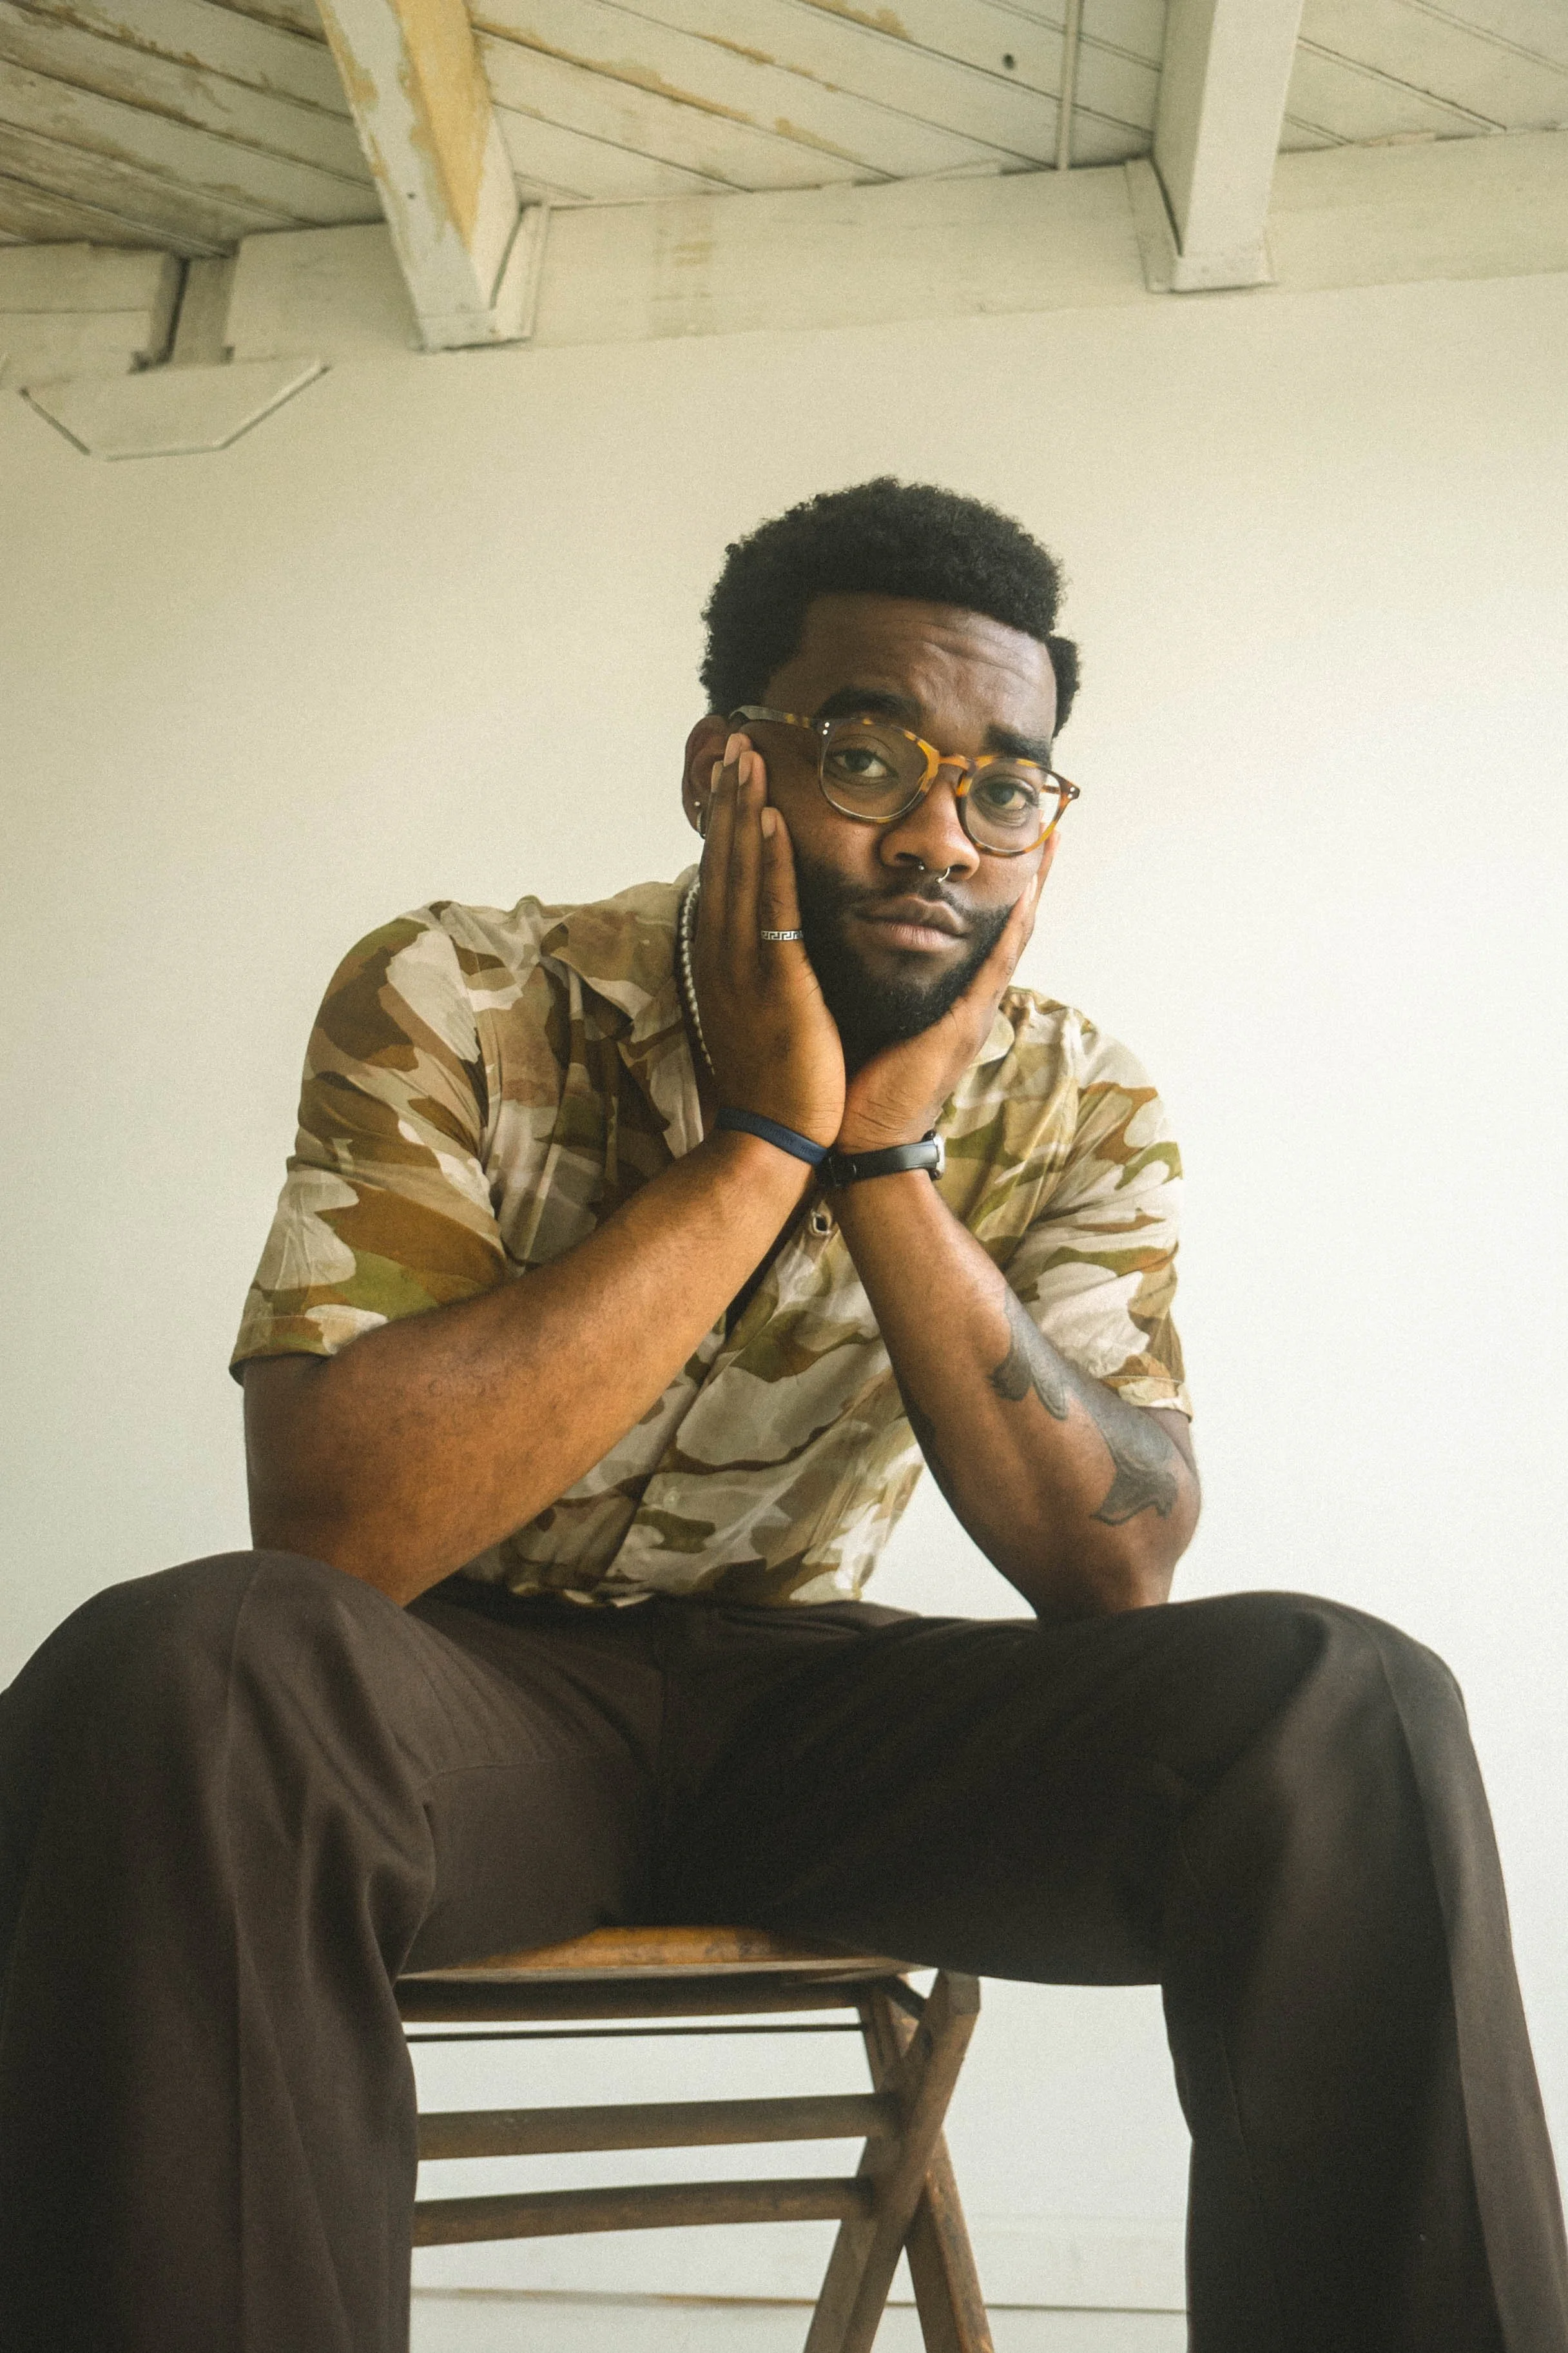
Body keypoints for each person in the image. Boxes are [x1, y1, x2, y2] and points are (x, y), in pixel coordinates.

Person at [1, 480, 1563, 2353]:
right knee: (191, 1668)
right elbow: (339, 1533)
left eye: (1002, 790)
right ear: (723, 767)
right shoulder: (463, 991)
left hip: (812, 1712)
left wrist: (885, 1157)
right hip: (466, 1717)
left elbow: (1114, 1563)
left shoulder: (1077, 1100)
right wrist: (761, 1143)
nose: (937, 836)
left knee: (1348, 1705)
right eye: (866, 755)